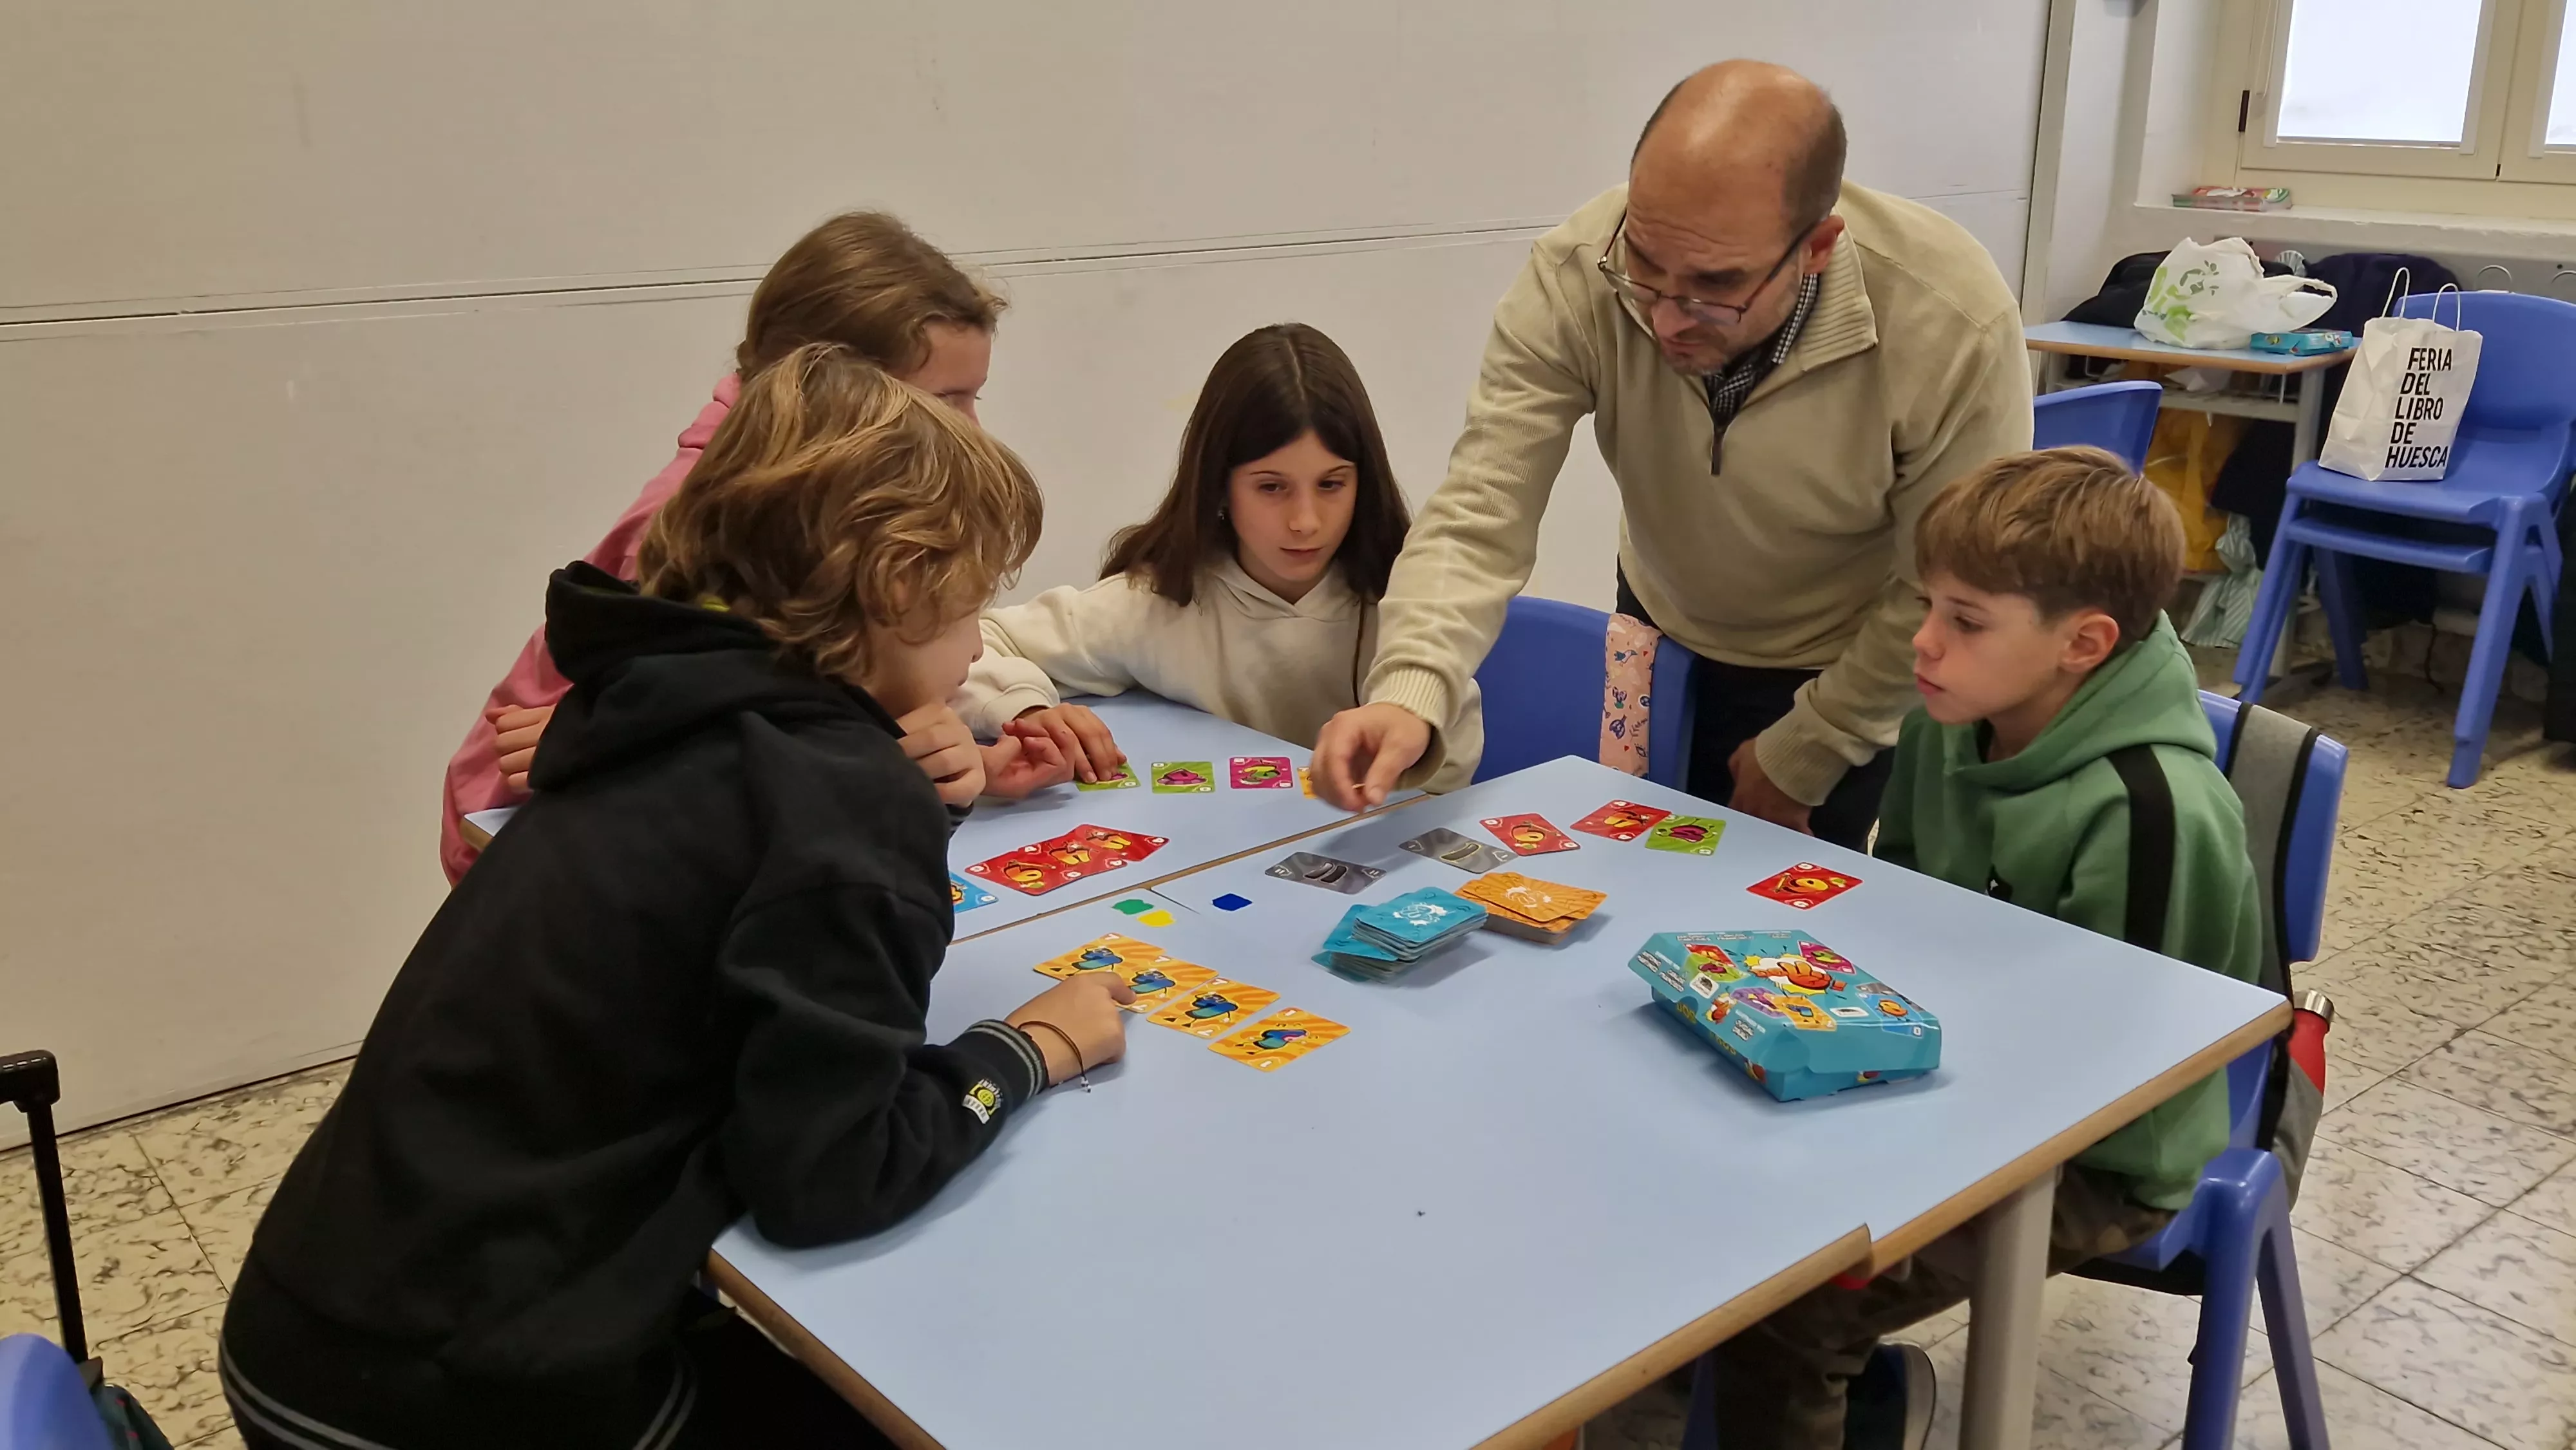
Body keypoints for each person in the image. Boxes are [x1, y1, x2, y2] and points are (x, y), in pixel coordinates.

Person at [221, 346, 1135, 1450]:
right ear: (899, 586)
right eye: (970, 605)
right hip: (443, 1404)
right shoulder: (838, 804)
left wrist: (910, 812)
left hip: (310, 1322)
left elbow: (752, 901)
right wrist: (1024, 1051)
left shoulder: (654, 701)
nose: (979, 641)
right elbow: (832, 1178)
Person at [1309, 61, 2031, 848]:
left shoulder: (1951, 319)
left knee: (1781, 909)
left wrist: (1816, 741)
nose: (1666, 320)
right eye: (1645, 270)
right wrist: (1411, 687)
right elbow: (1481, 506)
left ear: (1816, 248)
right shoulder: (1578, 269)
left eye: (1714, 287)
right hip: (1661, 626)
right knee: (1634, 871)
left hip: (1849, 660)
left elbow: (1941, 583)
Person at [1703, 447, 2263, 1449]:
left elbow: (2120, 1076)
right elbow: (1906, 919)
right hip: (1956, 1076)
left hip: (2098, 1156)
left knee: (1795, 1305)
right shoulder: (1946, 722)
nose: (1922, 643)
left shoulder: (2152, 810)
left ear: (2083, 644)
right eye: (1929, 607)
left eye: (1964, 621)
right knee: (1712, 1199)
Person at [439, 210, 1068, 884]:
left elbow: (826, 686)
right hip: (531, 825)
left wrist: (963, 754)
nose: (972, 428)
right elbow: (723, 727)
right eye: (948, 400)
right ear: (840, 391)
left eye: (974, 399)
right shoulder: (716, 520)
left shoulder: (813, 495)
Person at [954, 323, 1483, 790]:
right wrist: (1027, 709)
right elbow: (982, 643)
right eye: (1272, 487)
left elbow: (1450, 775)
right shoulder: (1156, 603)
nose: (1305, 521)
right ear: (1219, 487)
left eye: (1331, 484)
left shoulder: (1411, 611)